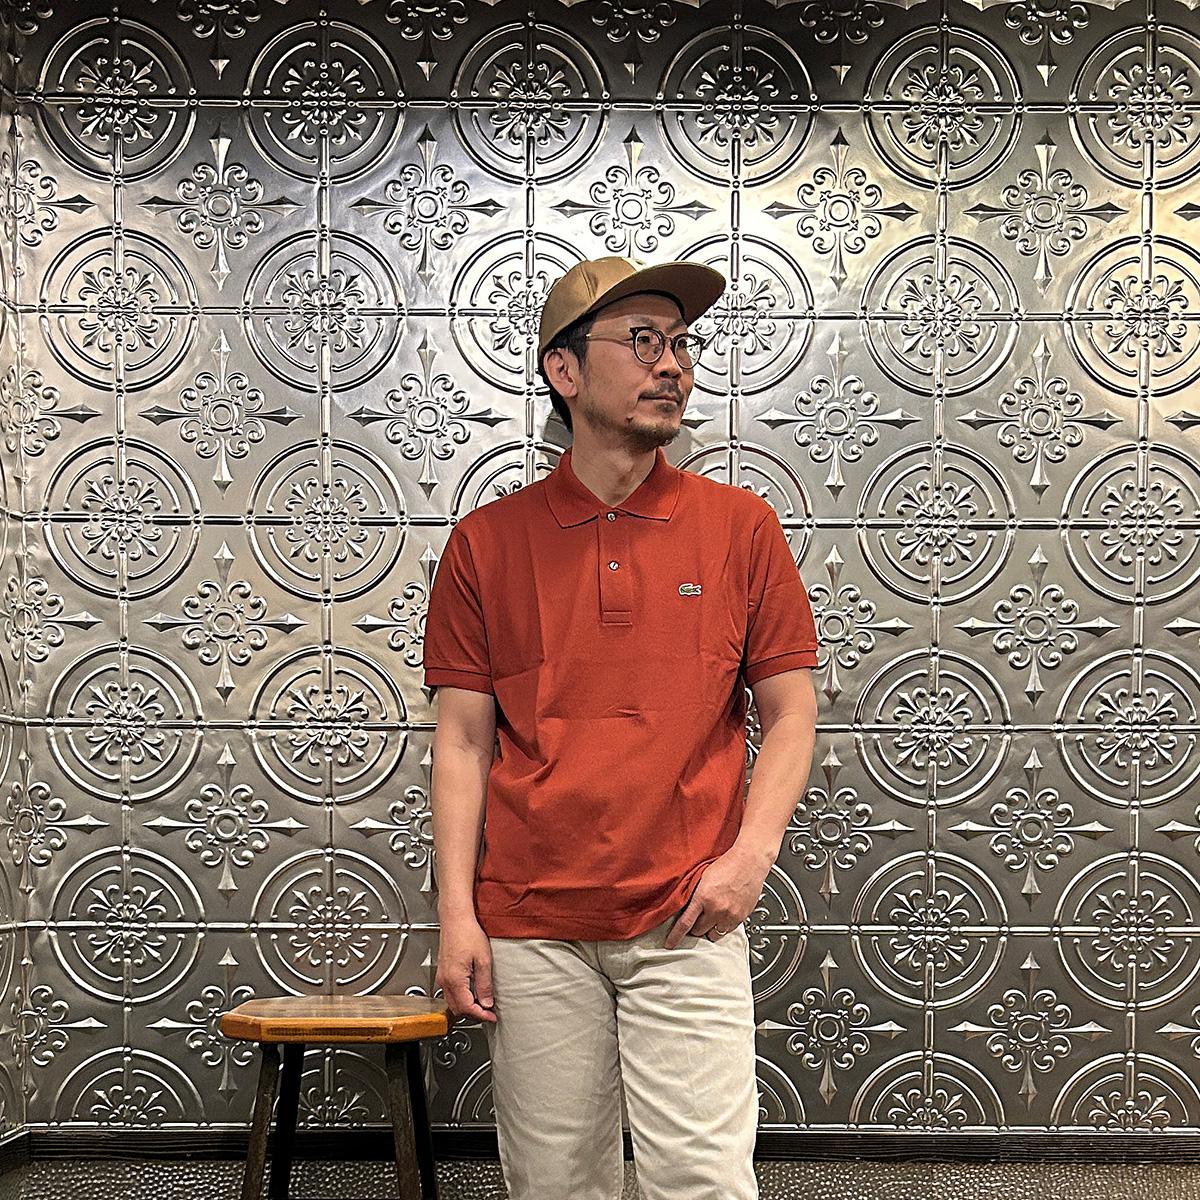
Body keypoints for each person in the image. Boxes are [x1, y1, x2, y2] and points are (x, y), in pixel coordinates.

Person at [423, 255, 819, 1200]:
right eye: (642, 342)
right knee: (555, 1185)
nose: (672, 364)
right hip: (531, 925)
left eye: (680, 343)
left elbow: (792, 711)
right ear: (564, 371)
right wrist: (456, 916)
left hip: (687, 918)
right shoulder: (486, 543)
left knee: (703, 1184)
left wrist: (750, 858)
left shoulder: (740, 527)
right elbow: (463, 743)